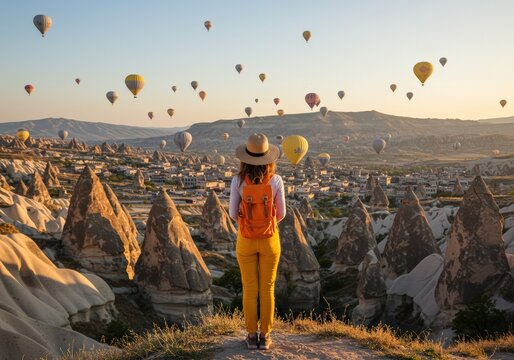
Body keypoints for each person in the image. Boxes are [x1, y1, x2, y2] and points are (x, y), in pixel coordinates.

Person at [229, 133, 286, 350]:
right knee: (268, 287)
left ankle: (252, 337)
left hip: (246, 239)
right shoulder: (276, 180)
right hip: (270, 239)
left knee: (250, 288)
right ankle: (267, 336)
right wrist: (267, 223)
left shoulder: (237, 180)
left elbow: (234, 213)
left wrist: (250, 223)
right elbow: (281, 214)